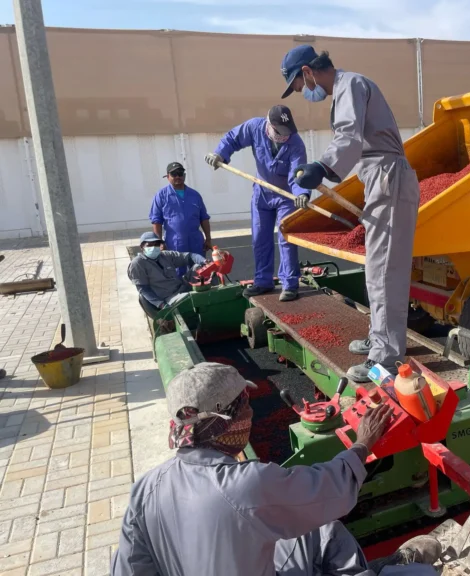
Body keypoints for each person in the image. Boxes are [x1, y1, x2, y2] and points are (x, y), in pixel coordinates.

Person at [111, 362, 441, 575]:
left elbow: (129, 568)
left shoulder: (145, 489)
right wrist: (363, 443)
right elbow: (329, 490)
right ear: (226, 420)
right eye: (245, 406)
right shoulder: (244, 486)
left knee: (310, 529)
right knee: (334, 530)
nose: (251, 414)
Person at [280, 45, 420, 383]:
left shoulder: (351, 85)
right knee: (376, 267)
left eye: (299, 86)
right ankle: (379, 338)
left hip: (388, 177)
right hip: (378, 177)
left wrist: (322, 166)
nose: (303, 93)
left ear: (308, 72)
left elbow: (348, 135)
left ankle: (386, 359)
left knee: (385, 271)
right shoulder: (346, 88)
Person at [204, 106, 308, 302]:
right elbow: (232, 139)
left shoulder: (296, 143)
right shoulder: (254, 127)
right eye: (280, 132)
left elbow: (298, 174)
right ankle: (263, 281)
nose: (284, 136)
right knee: (260, 238)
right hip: (262, 193)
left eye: (287, 132)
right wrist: (220, 154)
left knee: (287, 239)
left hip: (286, 195)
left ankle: (290, 284)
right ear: (269, 125)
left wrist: (301, 194)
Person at [150, 161, 212, 275]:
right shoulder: (161, 195)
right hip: (174, 242)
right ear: (167, 176)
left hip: (196, 241)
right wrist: (159, 242)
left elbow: (204, 218)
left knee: (200, 271)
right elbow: (156, 221)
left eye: (180, 173)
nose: (177, 176)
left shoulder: (195, 195)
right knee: (178, 272)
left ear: (184, 175)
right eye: (174, 174)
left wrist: (208, 239)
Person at [127, 232, 207, 320]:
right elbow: (143, 289)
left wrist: (204, 261)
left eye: (156, 244)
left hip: (181, 286)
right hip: (169, 297)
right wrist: (161, 305)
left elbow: (190, 256)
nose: (153, 247)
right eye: (149, 245)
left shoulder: (165, 255)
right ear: (142, 247)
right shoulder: (137, 263)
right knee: (193, 298)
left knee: (200, 267)